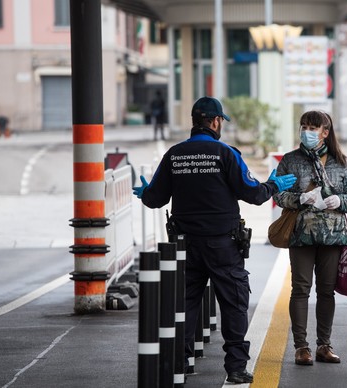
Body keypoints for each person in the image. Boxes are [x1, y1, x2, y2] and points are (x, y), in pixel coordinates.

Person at [132, 96, 297, 384]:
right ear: (216, 121)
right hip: (223, 244)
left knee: (184, 303)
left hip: (184, 245)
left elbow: (155, 199)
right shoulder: (226, 153)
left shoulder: (175, 154)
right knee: (234, 303)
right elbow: (254, 194)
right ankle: (235, 368)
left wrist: (145, 193)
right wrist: (272, 185)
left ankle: (179, 363)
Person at [273, 111, 347, 366]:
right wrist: (298, 199)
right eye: (304, 126)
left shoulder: (339, 163)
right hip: (301, 234)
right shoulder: (290, 161)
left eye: (313, 127)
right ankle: (301, 347)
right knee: (300, 290)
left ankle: (324, 345)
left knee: (326, 291)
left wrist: (338, 200)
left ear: (325, 132)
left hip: (332, 237)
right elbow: (277, 194)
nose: (307, 132)